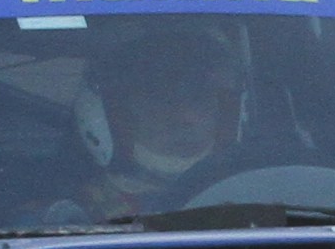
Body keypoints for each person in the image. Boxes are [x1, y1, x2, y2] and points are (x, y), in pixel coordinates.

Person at [80, 20, 254, 219]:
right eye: (163, 101)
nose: (187, 118)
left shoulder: (265, 202)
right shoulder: (66, 220)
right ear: (112, 115)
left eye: (200, 99)